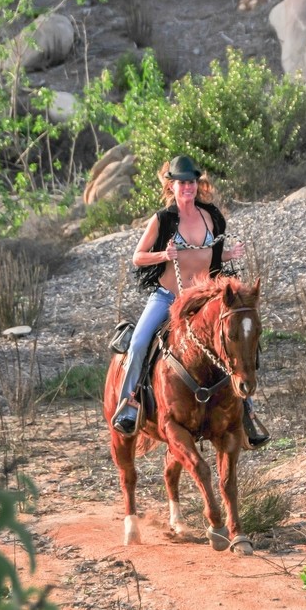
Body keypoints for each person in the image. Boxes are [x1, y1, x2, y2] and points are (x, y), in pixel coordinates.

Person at [112, 155, 269, 447]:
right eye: (182, 182)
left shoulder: (212, 216)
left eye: (192, 182)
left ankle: (246, 410)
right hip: (168, 297)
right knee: (138, 344)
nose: (188, 187)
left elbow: (206, 254)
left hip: (205, 298)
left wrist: (228, 255)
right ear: (171, 186)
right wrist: (163, 255)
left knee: (240, 340)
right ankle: (129, 406)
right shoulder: (163, 219)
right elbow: (138, 256)